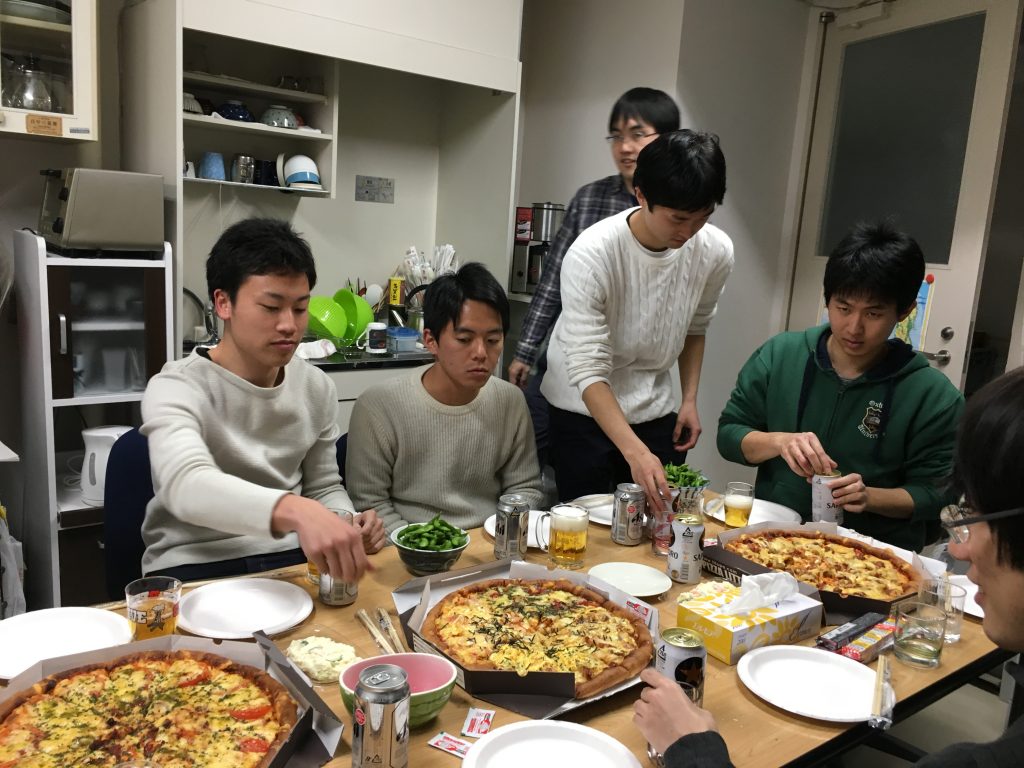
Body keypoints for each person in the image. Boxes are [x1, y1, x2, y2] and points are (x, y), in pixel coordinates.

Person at [635, 368, 1024, 767]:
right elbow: (730, 433)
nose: (958, 550)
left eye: (974, 516)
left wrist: (693, 749)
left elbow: (931, 492)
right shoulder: (783, 358)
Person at [140, 218, 385, 583]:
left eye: (300, 309)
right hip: (193, 564)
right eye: (271, 307)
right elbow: (185, 484)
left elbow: (323, 487)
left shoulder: (316, 387)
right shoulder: (176, 386)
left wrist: (343, 522)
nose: (289, 325)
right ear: (223, 302)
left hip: (288, 557)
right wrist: (297, 511)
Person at [717, 222, 963, 552]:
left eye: (873, 313)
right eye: (843, 308)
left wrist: (869, 497)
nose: (854, 327)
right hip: (773, 541)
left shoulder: (932, 395)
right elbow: (729, 435)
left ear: (905, 311)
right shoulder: (780, 356)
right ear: (828, 300)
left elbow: (939, 494)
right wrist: (779, 442)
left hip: (873, 556)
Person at [540, 129, 733, 509]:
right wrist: (635, 452)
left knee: (657, 522)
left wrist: (689, 400)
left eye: (702, 218)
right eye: (678, 218)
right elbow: (588, 369)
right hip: (581, 410)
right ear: (641, 195)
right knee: (587, 525)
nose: (688, 232)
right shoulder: (592, 254)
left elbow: (696, 327)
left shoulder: (715, 250)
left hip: (653, 408)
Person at [508, 87, 681, 465]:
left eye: (637, 134)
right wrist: (525, 352)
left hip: (635, 384)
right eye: (616, 136)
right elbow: (552, 281)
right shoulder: (590, 199)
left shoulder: (677, 213)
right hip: (572, 362)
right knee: (542, 455)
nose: (625, 147)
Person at [346, 262, 543, 534]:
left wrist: (496, 539)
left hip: (489, 541)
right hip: (408, 544)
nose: (480, 353)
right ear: (431, 340)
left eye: (492, 340)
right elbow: (370, 504)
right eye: (464, 339)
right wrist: (429, 548)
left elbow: (525, 489)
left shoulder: (510, 401)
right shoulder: (379, 405)